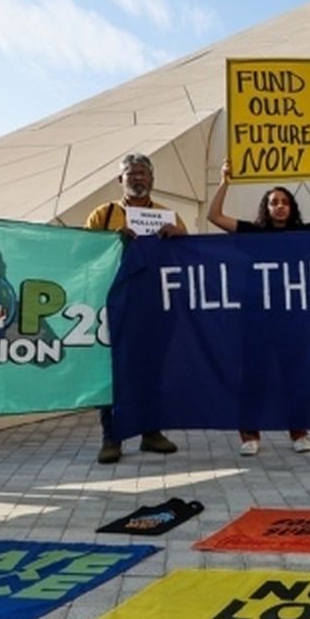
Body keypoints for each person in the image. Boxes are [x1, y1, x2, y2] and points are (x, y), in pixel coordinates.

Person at [207, 157, 310, 454]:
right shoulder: (252, 234)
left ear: (291, 207)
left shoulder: (302, 235)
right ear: (265, 209)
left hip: (291, 319)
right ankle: (250, 436)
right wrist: (224, 180)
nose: (279, 206)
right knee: (254, 376)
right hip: (255, 319)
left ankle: (298, 433)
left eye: (284, 201)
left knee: (294, 375)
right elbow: (214, 215)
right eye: (273, 202)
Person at [84, 153, 187, 464]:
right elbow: (85, 254)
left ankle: (151, 433)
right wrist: (111, 242)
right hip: (114, 304)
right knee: (112, 372)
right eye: (131, 174)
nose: (137, 178)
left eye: (143, 174)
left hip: (155, 305)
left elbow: (189, 256)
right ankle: (111, 437)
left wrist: (177, 238)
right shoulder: (102, 215)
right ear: (120, 180)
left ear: (152, 180)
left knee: (153, 370)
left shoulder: (168, 216)